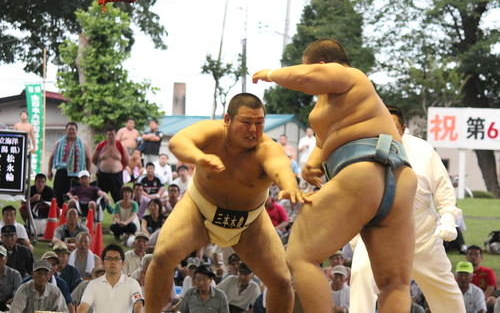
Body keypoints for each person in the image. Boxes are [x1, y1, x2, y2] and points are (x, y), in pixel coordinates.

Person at [253, 38, 417, 313]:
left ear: (321, 65)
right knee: (394, 282)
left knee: (300, 255)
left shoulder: (349, 75)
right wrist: (313, 164)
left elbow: (303, 77)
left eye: (311, 70)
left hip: (363, 173)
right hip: (398, 178)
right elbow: (325, 141)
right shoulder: (339, 103)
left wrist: (269, 74)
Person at [145, 93, 308, 313]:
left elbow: (281, 169)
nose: (253, 130)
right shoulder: (212, 133)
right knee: (163, 257)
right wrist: (199, 157)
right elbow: (178, 142)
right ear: (227, 120)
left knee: (281, 281)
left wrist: (290, 186)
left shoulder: (267, 149)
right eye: (247, 123)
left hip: (250, 223)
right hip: (198, 210)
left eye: (259, 123)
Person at [349, 104, 465, 312]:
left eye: (393, 127)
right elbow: (352, 197)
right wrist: (355, 239)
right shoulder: (361, 151)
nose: (388, 132)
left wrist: (448, 219)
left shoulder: (424, 151)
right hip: (376, 231)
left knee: (445, 289)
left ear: (403, 129)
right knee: (360, 275)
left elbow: (444, 192)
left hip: (419, 231)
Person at [76, 243, 143, 313]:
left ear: (123, 263)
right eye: (109, 258)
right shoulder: (93, 284)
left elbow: (138, 305)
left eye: (117, 258)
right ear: (103, 263)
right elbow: (83, 307)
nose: (113, 262)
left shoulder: (132, 283)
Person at [48, 122, 91, 208]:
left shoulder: (83, 144)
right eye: (69, 129)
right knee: (59, 193)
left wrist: (88, 173)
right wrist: (49, 171)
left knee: (76, 194)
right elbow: (52, 156)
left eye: (73, 129)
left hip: (76, 174)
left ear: (76, 131)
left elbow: (88, 158)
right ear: (66, 131)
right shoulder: (59, 143)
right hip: (62, 172)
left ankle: (75, 212)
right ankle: (60, 211)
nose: (71, 131)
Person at [92, 126, 129, 203]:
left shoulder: (121, 146)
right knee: (99, 198)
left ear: (116, 135)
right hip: (103, 176)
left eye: (113, 134)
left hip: (116, 177)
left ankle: (118, 215)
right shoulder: (101, 146)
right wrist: (103, 166)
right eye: (109, 134)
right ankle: (98, 214)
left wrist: (117, 168)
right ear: (106, 135)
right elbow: (94, 159)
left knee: (119, 199)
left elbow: (126, 161)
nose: (111, 136)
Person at [466, 245, 497, 310]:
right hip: (467, 299)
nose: (473, 257)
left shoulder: (488, 271)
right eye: (470, 254)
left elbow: (491, 288)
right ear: (467, 257)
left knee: (492, 300)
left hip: (484, 299)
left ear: (481, 258)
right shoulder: (463, 273)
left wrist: (480, 300)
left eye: (476, 255)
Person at [0, 246, 22, 311]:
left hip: (7, 304)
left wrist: (13, 299)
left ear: (6, 259)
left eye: (0, 257)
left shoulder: (15, 274)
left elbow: (21, 292)